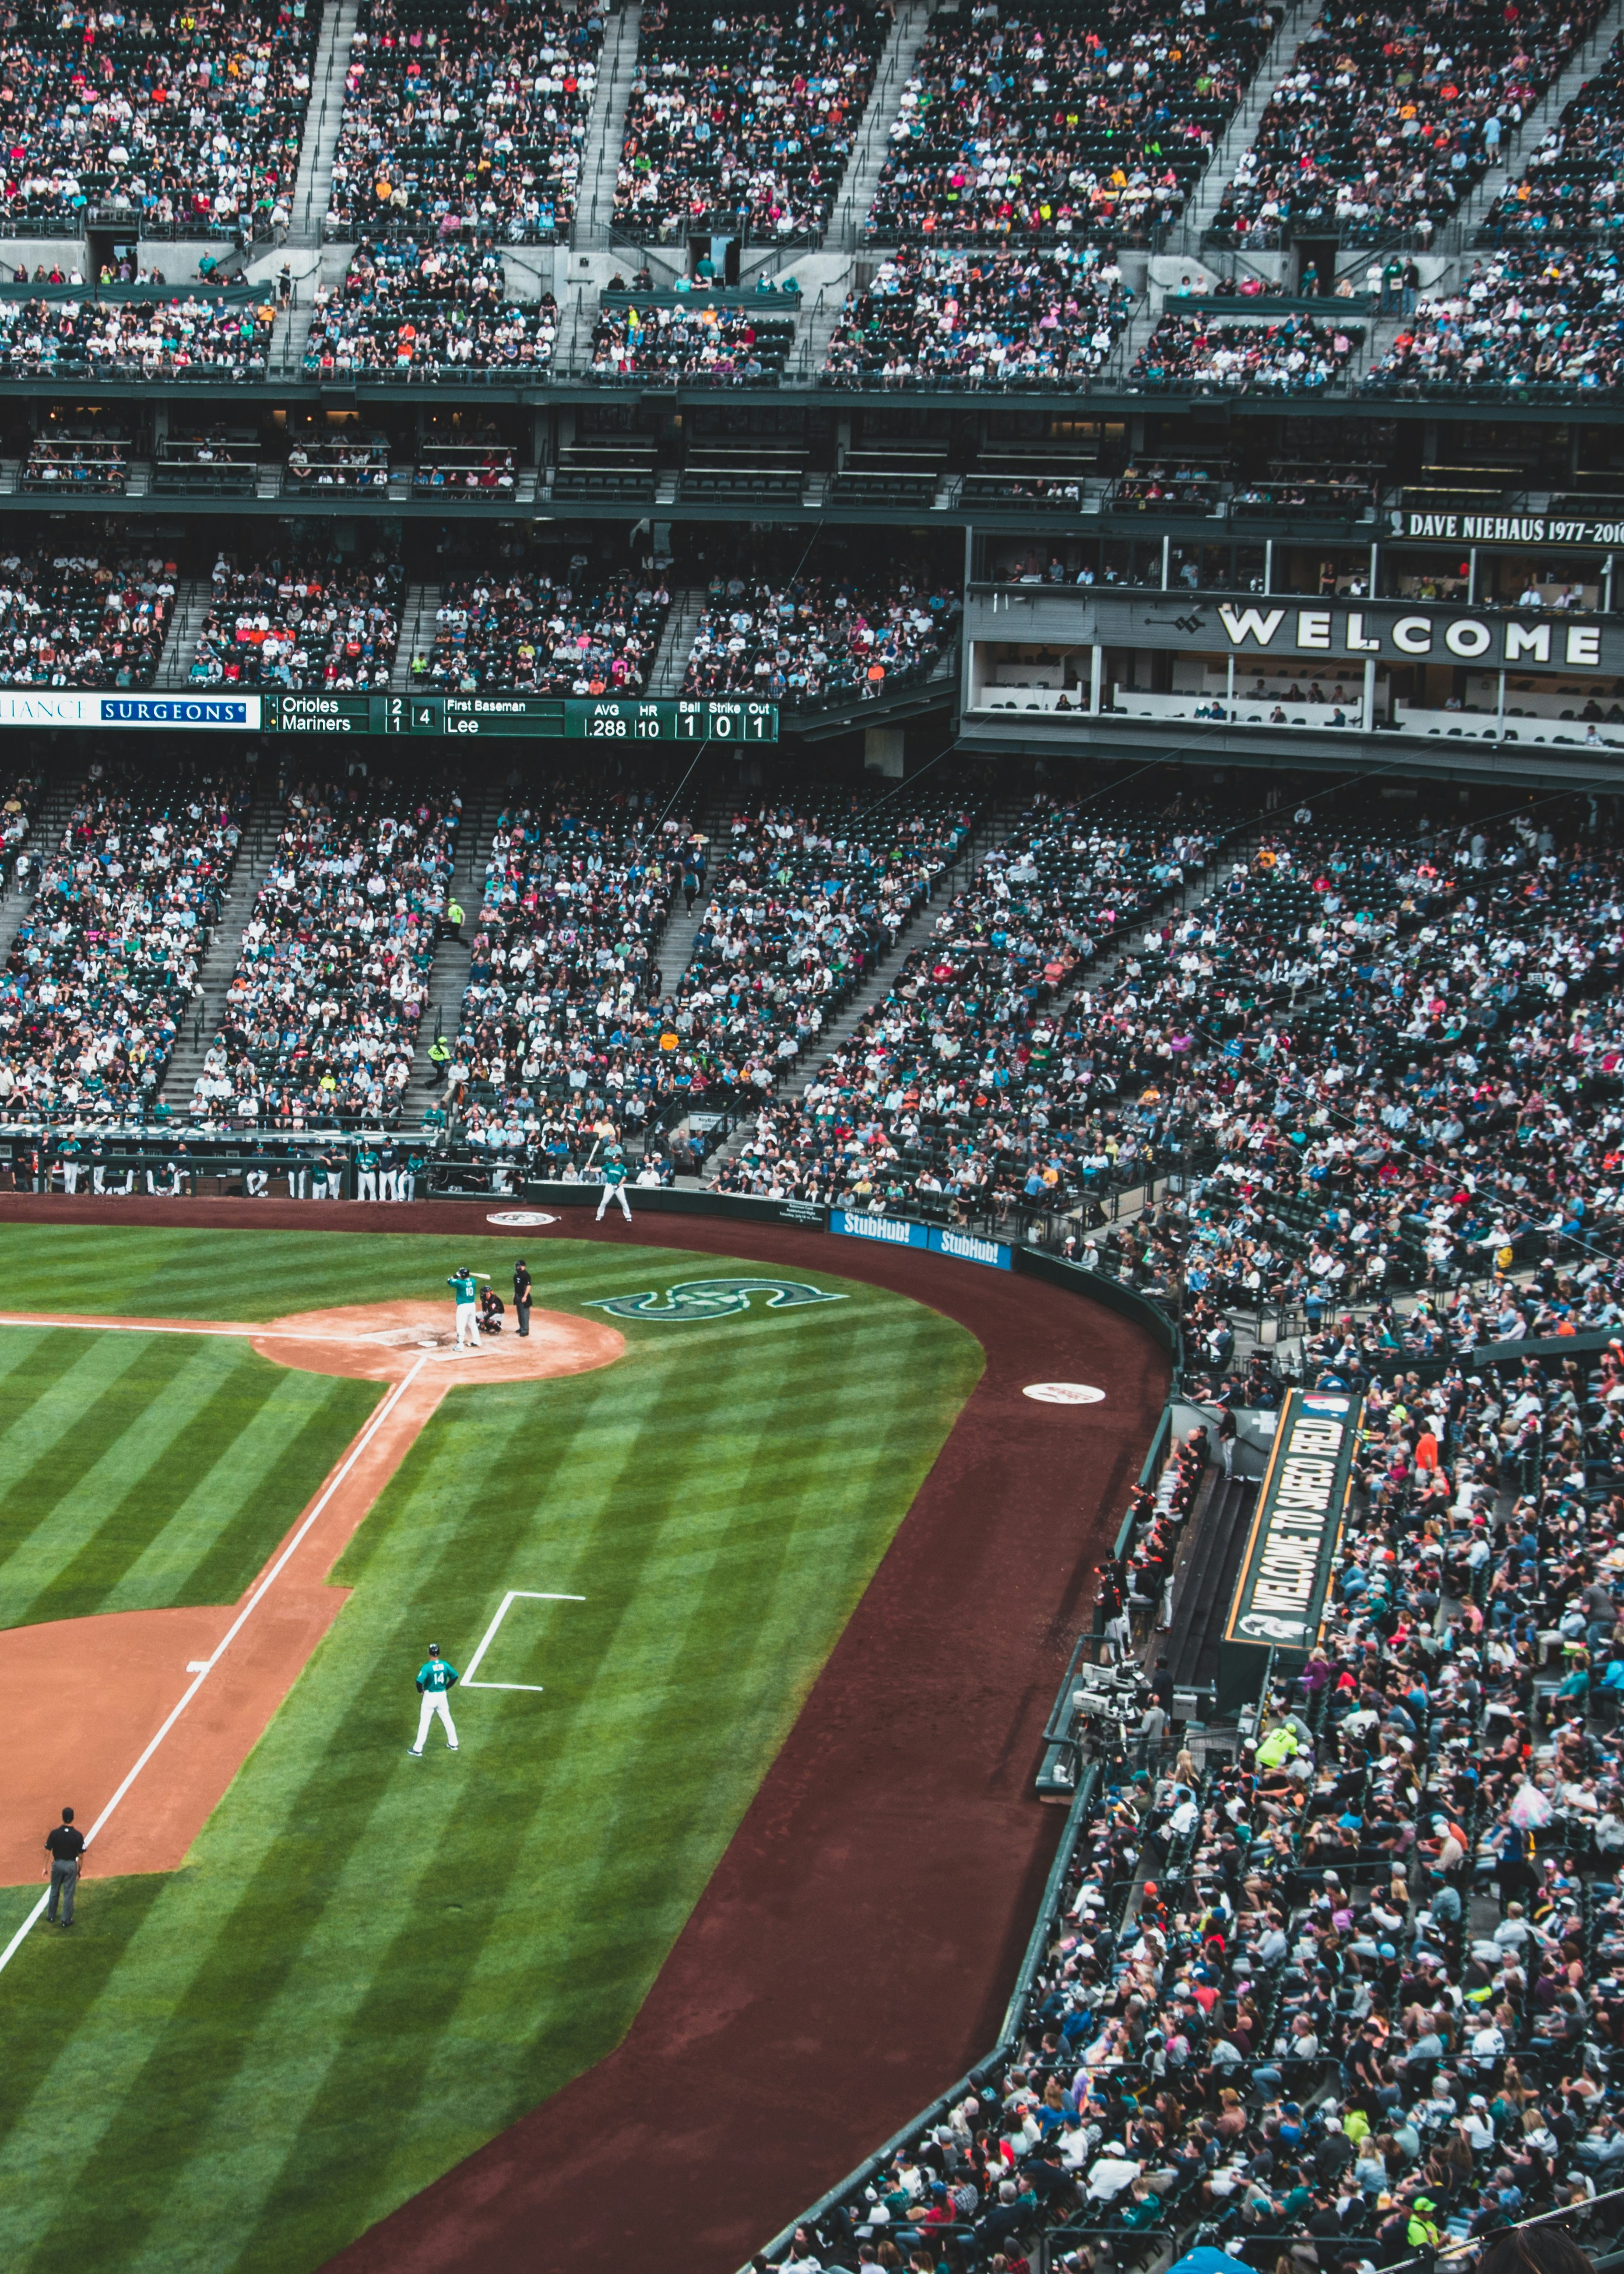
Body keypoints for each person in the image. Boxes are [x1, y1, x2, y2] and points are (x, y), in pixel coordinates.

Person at [409, 1643, 459, 1754]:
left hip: (430, 1697)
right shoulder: (445, 1665)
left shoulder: (427, 1667)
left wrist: (420, 1691)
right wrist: (447, 1687)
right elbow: (455, 1676)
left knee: (424, 1723)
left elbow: (419, 1682)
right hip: (442, 1696)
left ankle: (418, 1749)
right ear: (438, 1653)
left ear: (429, 1654)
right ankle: (454, 1743)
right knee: (447, 1719)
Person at [44, 1806, 85, 1926]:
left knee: (54, 1890)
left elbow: (47, 1851)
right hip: (71, 1865)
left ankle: (51, 1916)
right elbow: (81, 1856)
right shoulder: (77, 1835)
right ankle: (66, 1920)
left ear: (63, 1818)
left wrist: (44, 1868)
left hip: (57, 1865)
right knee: (68, 1893)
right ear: (72, 1818)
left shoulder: (55, 1833)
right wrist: (79, 1870)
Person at [447, 1265, 488, 1349]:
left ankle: (460, 1346)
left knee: (460, 1325)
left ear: (462, 1275)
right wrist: (461, 1274)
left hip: (463, 1307)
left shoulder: (460, 1283)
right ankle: (477, 1342)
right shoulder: (473, 1281)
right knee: (473, 1324)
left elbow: (449, 1281)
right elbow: (465, 1280)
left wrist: (456, 1275)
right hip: (472, 1306)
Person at [596, 1147, 632, 1223]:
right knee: (604, 1202)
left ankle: (628, 1217)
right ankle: (599, 1215)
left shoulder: (622, 1167)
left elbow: (624, 1178)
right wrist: (590, 1169)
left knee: (624, 1202)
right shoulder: (609, 1165)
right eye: (613, 1158)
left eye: (615, 1159)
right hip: (609, 1186)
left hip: (618, 1186)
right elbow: (600, 1169)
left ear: (619, 1159)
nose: (614, 1160)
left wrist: (618, 1185)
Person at [513, 1257, 532, 1338]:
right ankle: (521, 1328)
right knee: (520, 1313)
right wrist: (515, 1294)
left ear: (523, 1266)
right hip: (518, 1296)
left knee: (524, 1314)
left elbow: (528, 1286)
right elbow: (517, 1287)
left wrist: (525, 1296)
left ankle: (525, 1330)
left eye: (519, 1266)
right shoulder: (516, 1275)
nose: (518, 1268)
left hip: (524, 1297)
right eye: (517, 1266)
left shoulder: (525, 1275)